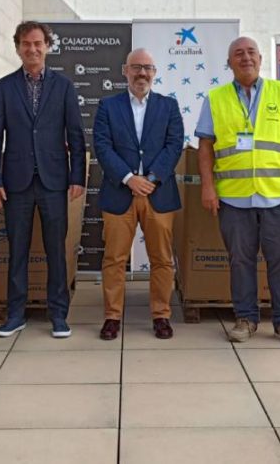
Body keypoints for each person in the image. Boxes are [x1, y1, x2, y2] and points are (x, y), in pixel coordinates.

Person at [196, 36, 280, 346]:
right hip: (234, 197)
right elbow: (205, 146)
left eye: (251, 53)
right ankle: (245, 319)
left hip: (278, 195)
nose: (245, 58)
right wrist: (208, 187)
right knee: (240, 261)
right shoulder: (215, 98)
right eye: (238, 53)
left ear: (261, 59)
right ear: (229, 62)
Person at [0, 22, 87, 339]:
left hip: (54, 180)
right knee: (18, 250)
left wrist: (77, 176)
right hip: (15, 183)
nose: (32, 49)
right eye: (26, 44)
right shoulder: (4, 87)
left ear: (47, 46)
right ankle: (15, 314)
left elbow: (75, 135)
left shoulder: (63, 86)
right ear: (17, 47)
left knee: (56, 249)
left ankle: (58, 315)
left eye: (38, 43)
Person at [92, 48, 184, 340]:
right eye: (136, 68)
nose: (142, 73)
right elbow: (102, 147)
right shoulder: (108, 106)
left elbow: (174, 145)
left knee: (162, 259)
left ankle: (161, 315)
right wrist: (130, 178)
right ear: (125, 70)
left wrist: (152, 178)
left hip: (158, 193)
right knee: (114, 259)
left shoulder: (169, 106)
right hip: (121, 192)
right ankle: (112, 316)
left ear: (154, 72)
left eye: (147, 67)